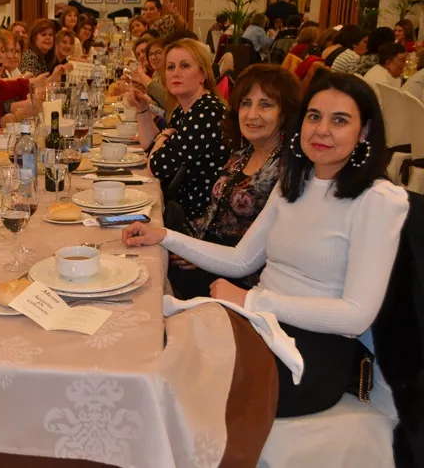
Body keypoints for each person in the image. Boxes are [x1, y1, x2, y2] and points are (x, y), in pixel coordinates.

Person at [123, 72, 408, 418]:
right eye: (314, 116)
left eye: (340, 120)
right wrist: (165, 237)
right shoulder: (295, 180)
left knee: (174, 380)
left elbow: (355, 316)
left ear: (364, 132)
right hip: (259, 324)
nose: (321, 130)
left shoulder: (378, 199)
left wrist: (253, 300)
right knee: (147, 344)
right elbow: (242, 259)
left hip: (310, 354)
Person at [167, 65, 301, 299]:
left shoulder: (286, 169)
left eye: (265, 105)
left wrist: (200, 256)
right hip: (207, 257)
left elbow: (263, 250)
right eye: (246, 103)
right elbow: (214, 214)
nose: (252, 114)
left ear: (285, 113)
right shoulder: (242, 153)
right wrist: (191, 245)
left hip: (238, 281)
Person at [128, 38, 230, 221]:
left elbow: (157, 166)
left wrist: (165, 134)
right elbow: (151, 148)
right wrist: (142, 109)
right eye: (171, 67)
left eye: (185, 66)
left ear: (202, 74)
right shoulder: (185, 109)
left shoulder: (207, 112)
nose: (176, 73)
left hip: (201, 218)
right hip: (182, 207)